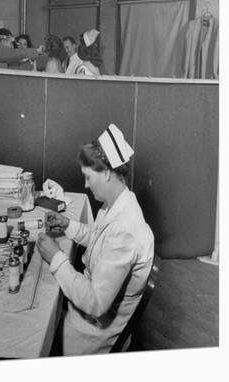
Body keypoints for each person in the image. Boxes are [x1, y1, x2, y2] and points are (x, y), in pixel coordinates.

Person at [37, 123, 154, 355]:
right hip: (86, 310)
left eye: (88, 177)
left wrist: (57, 257)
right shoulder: (118, 203)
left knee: (32, 332)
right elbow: (100, 239)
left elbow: (96, 303)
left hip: (92, 333)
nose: (85, 185)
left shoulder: (126, 231)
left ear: (108, 172)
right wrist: (68, 226)